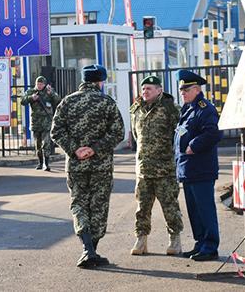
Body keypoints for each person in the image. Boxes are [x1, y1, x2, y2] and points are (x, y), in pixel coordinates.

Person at [51, 64, 125, 268]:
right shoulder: (107, 102)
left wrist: (75, 149)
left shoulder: (67, 102)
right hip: (101, 164)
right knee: (98, 206)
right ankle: (91, 250)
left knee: (79, 203)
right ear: (99, 82)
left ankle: (87, 249)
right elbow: (118, 132)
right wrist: (95, 148)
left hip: (76, 165)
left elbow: (56, 132)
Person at [129, 75, 184, 256]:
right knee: (142, 208)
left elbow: (180, 135)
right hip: (143, 169)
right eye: (143, 89)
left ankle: (175, 240)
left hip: (165, 169)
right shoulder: (136, 109)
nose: (145, 92)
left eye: (149, 89)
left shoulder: (170, 109)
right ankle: (141, 240)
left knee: (170, 207)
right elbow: (138, 138)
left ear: (159, 90)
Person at [174, 70, 222, 262]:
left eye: (186, 89)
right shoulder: (187, 108)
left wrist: (194, 145)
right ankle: (200, 243)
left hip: (201, 168)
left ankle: (210, 246)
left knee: (205, 209)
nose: (182, 93)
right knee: (194, 211)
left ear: (196, 89)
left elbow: (213, 133)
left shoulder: (205, 108)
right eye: (181, 90)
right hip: (188, 169)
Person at [21, 76, 61, 171]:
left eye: (41, 84)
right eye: (38, 84)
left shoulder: (49, 91)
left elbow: (58, 100)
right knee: (37, 144)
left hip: (47, 122)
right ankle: (40, 163)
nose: (39, 86)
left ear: (45, 84)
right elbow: (23, 101)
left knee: (46, 143)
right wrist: (31, 98)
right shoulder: (31, 91)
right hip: (35, 122)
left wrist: (51, 93)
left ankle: (46, 164)